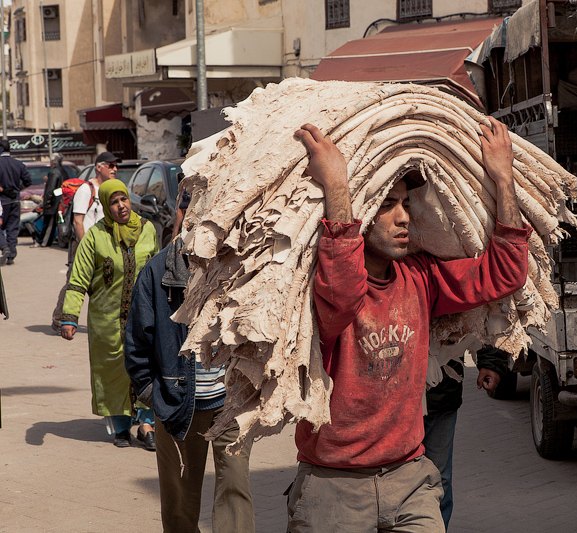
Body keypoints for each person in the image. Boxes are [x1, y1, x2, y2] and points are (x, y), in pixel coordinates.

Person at [287, 116, 531, 532]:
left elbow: (505, 273)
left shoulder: (420, 278)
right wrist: (338, 187)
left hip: (410, 479)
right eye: (387, 204)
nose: (403, 218)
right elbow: (345, 295)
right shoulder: (323, 290)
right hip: (333, 486)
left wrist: (503, 180)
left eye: (405, 204)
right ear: (361, 211)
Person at [125, 233, 255, 533]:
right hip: (177, 404)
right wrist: (154, 394)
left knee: (235, 492)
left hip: (231, 402)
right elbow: (136, 342)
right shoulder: (160, 271)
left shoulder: (242, 262)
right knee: (179, 507)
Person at [60, 180, 159, 448]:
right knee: (113, 372)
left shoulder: (148, 230)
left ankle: (147, 423)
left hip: (144, 316)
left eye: (123, 200)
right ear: (105, 206)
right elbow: (78, 278)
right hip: (106, 320)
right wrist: (70, 316)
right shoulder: (95, 236)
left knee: (148, 366)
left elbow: (159, 272)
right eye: (113, 202)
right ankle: (121, 427)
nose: (120, 206)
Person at [423, 347, 508, 529]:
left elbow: (479, 319)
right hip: (386, 399)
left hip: (440, 396)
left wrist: (490, 362)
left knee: (437, 478)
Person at [51, 151, 119, 330]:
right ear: (99, 167)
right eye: (111, 165)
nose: (115, 169)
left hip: (106, 246)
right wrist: (85, 248)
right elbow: (78, 221)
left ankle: (104, 322)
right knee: (75, 282)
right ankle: (60, 318)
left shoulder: (111, 189)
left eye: (115, 166)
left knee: (106, 282)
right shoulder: (86, 189)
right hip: (84, 245)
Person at [0, 139, 32, 265]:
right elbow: (28, 181)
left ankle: (4, 247)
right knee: (12, 228)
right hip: (15, 200)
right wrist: (17, 190)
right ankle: (11, 255)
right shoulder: (18, 164)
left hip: (2, 202)